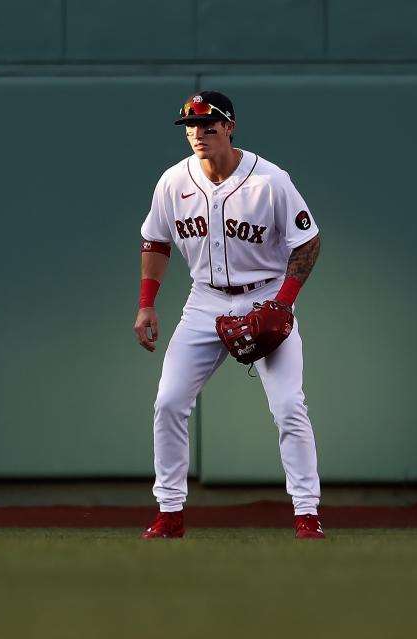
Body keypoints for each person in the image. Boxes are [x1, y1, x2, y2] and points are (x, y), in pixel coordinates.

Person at [134, 91, 324, 540]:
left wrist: (284, 301)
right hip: (204, 302)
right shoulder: (172, 182)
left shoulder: (270, 181)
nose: (198, 133)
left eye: (208, 124)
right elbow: (155, 242)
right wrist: (147, 303)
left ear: (230, 127)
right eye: (191, 126)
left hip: (266, 296)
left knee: (289, 406)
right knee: (168, 402)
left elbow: (308, 242)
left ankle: (307, 514)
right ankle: (170, 513)